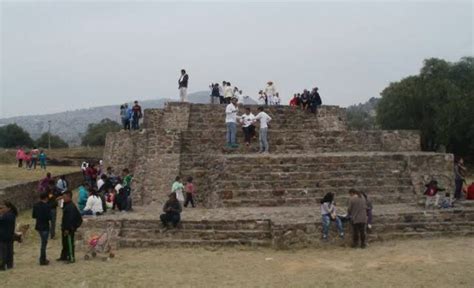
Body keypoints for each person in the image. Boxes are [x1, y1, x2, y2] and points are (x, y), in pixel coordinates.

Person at [57, 191, 82, 263]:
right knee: (64, 243)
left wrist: (68, 228)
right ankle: (64, 256)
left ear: (69, 197)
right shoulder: (66, 205)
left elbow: (70, 219)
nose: (63, 198)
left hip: (69, 228)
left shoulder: (71, 206)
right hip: (64, 227)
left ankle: (71, 257)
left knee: (69, 243)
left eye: (64, 197)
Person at [32, 192, 52, 265]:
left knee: (43, 242)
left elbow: (34, 216)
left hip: (38, 225)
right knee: (44, 243)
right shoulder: (47, 206)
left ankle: (43, 258)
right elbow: (50, 217)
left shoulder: (35, 205)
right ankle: (42, 259)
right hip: (45, 226)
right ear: (46, 198)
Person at [0, 201, 17, 270]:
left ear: (8, 208)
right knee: (9, 251)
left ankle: (2, 266)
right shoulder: (12, 215)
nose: (2, 209)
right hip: (10, 235)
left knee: (2, 253)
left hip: (3, 236)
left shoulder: (6, 216)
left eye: (3, 207)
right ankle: (10, 265)